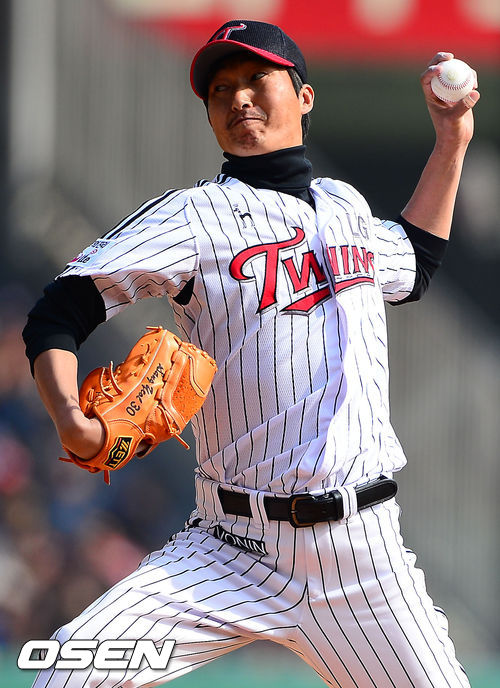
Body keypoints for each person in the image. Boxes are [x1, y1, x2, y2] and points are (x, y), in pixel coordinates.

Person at [23, 19, 478, 688]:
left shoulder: (346, 206)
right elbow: (60, 311)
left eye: (256, 79)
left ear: (305, 96)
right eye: (220, 89)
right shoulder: (193, 216)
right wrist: (68, 414)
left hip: (363, 558)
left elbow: (416, 261)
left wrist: (452, 140)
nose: (237, 97)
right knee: (65, 674)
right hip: (229, 550)